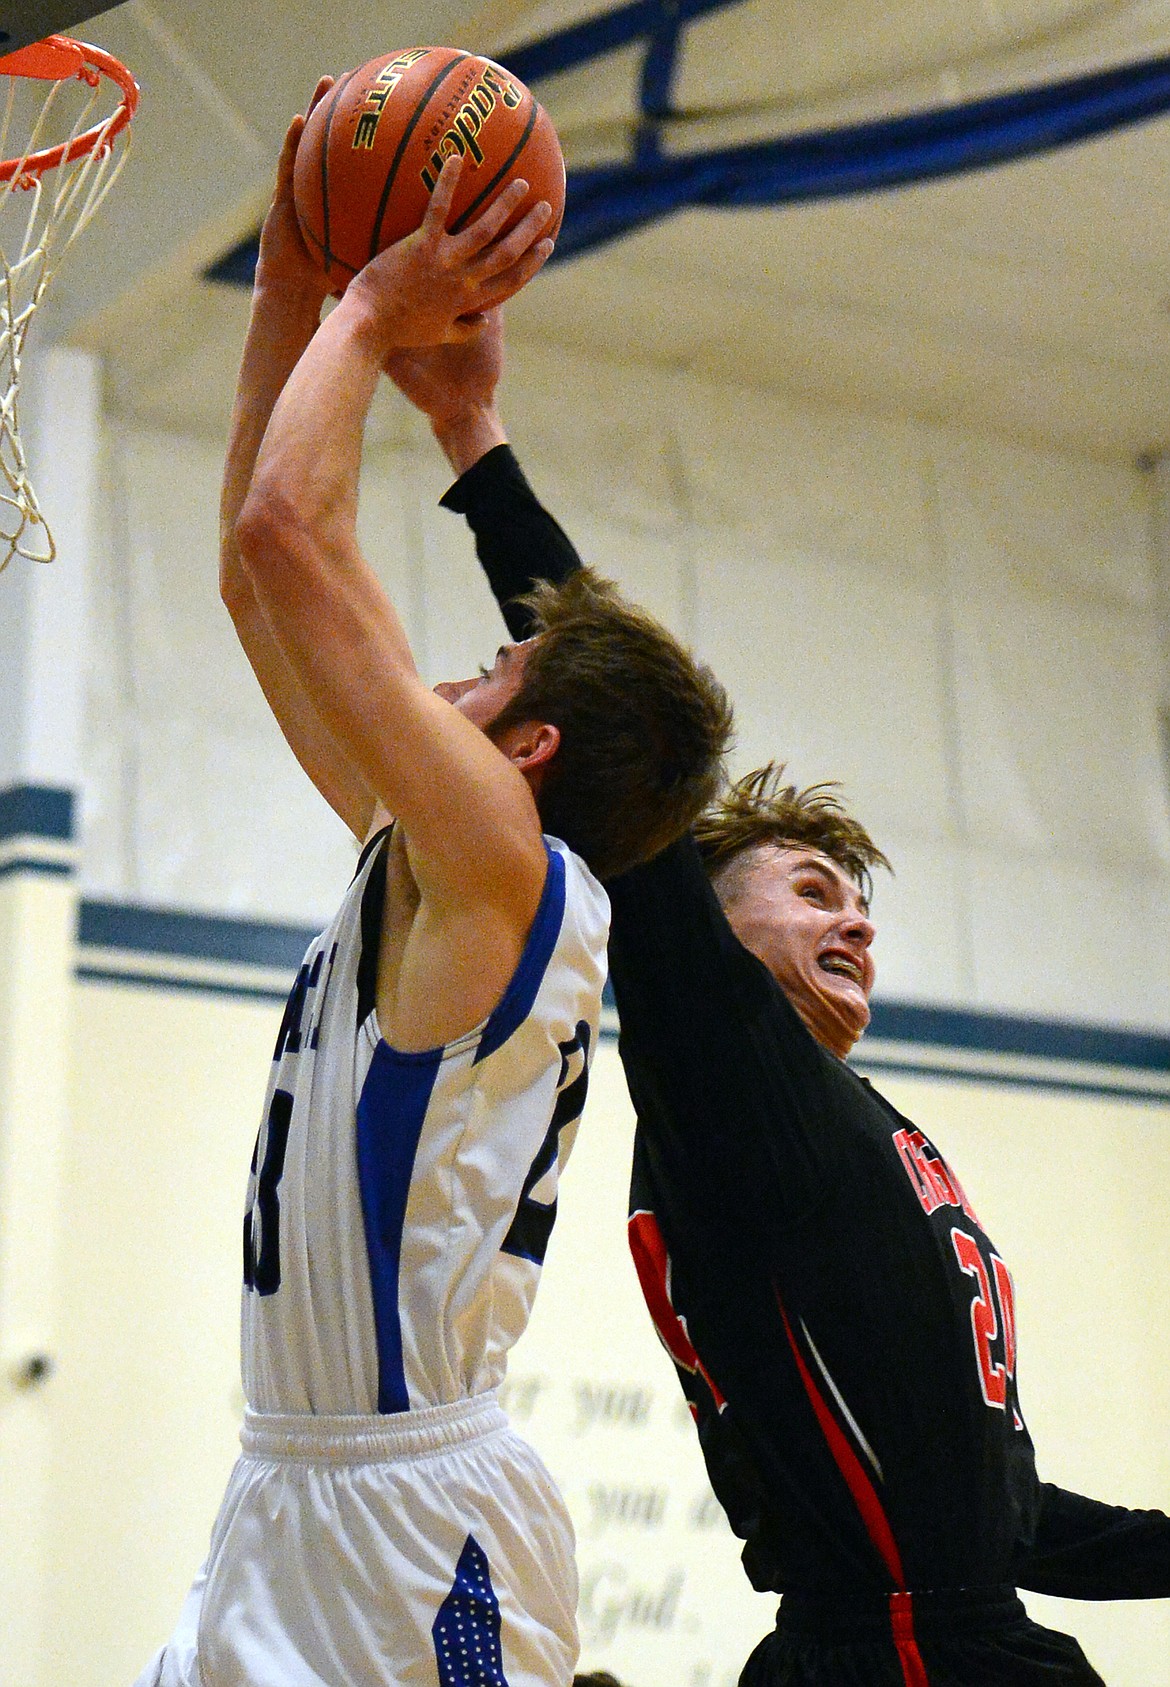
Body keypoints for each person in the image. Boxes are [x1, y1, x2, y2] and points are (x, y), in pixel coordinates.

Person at [387, 310, 1170, 1686]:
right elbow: (619, 722)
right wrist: (472, 438)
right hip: (892, 1659)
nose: (853, 915)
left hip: (964, 1633)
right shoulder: (729, 1077)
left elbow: (999, 1520)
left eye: (856, 899)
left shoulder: (851, 1119)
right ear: (704, 915)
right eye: (808, 889)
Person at [135, 91, 730, 1687]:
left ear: (524, 745)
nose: (451, 669)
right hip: (297, 1477)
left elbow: (286, 528)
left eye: (491, 664)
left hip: (410, 1514)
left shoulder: (498, 862)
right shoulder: (442, 858)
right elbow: (248, 569)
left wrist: (365, 305)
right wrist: (286, 271)